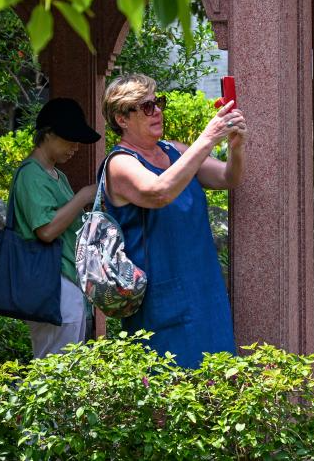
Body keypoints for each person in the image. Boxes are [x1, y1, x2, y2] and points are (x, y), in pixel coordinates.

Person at [101, 73, 247, 369]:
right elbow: (159, 192)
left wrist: (235, 146)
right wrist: (208, 138)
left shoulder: (174, 151)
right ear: (121, 119)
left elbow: (228, 177)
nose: (157, 111)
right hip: (160, 301)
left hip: (205, 290)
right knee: (169, 388)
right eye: (146, 107)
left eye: (158, 102)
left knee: (218, 381)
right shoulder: (119, 163)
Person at [12, 97, 100, 358]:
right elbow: (47, 230)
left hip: (66, 282)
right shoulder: (30, 173)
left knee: (67, 368)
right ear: (48, 134)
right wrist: (83, 197)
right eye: (70, 139)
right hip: (51, 283)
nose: (75, 147)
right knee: (54, 369)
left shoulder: (57, 175)